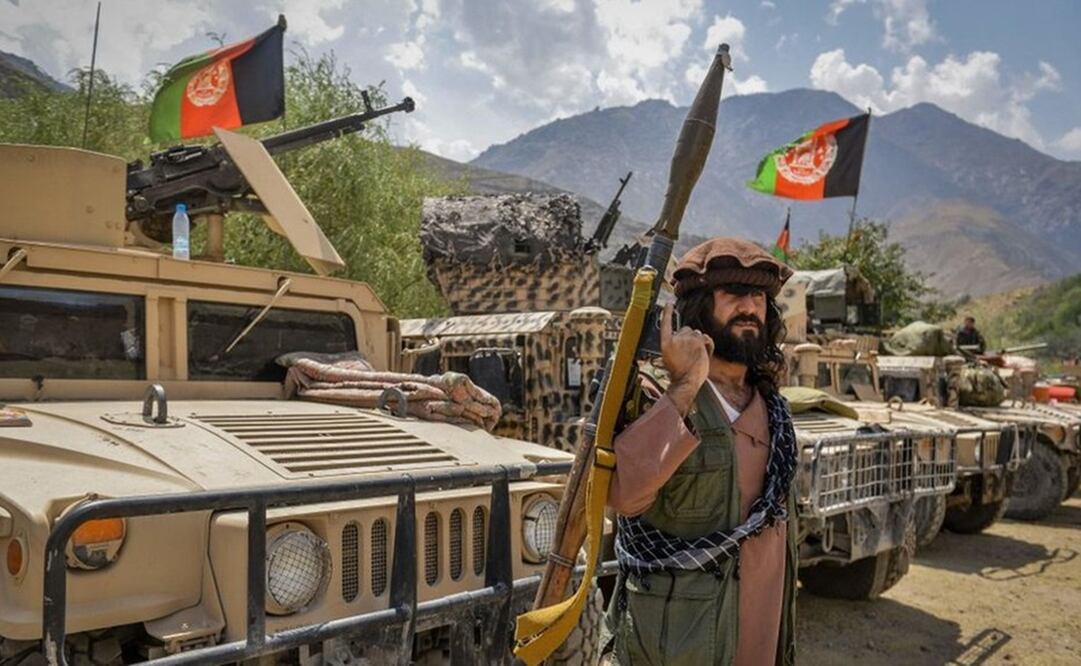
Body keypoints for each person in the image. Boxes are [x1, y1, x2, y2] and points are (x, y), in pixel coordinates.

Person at [601, 238, 798, 665]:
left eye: (760, 297)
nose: (750, 307)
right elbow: (625, 496)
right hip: (680, 641)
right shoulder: (656, 396)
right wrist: (685, 385)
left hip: (759, 634)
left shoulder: (773, 409)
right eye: (733, 294)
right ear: (697, 309)